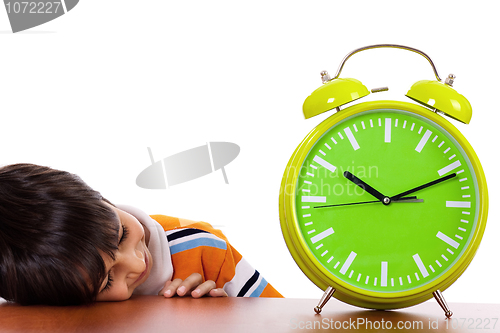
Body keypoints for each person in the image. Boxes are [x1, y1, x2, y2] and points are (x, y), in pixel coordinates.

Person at [0, 163, 282, 305]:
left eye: (121, 234)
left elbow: (281, 319)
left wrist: (226, 315)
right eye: (107, 281)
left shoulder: (203, 248)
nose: (136, 264)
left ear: (103, 200)